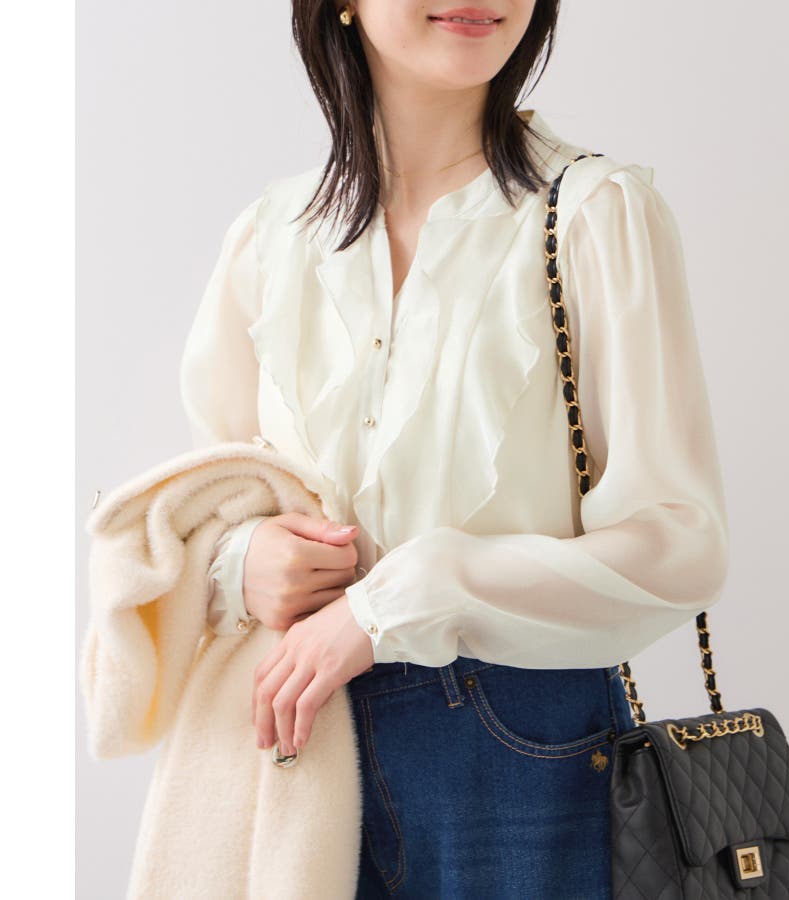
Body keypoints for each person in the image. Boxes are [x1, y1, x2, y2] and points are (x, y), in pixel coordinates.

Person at [179, 1, 730, 896]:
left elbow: (681, 543)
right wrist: (241, 563)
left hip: (522, 748)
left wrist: (407, 598)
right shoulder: (270, 240)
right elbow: (204, 503)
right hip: (297, 752)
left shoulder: (591, 216)